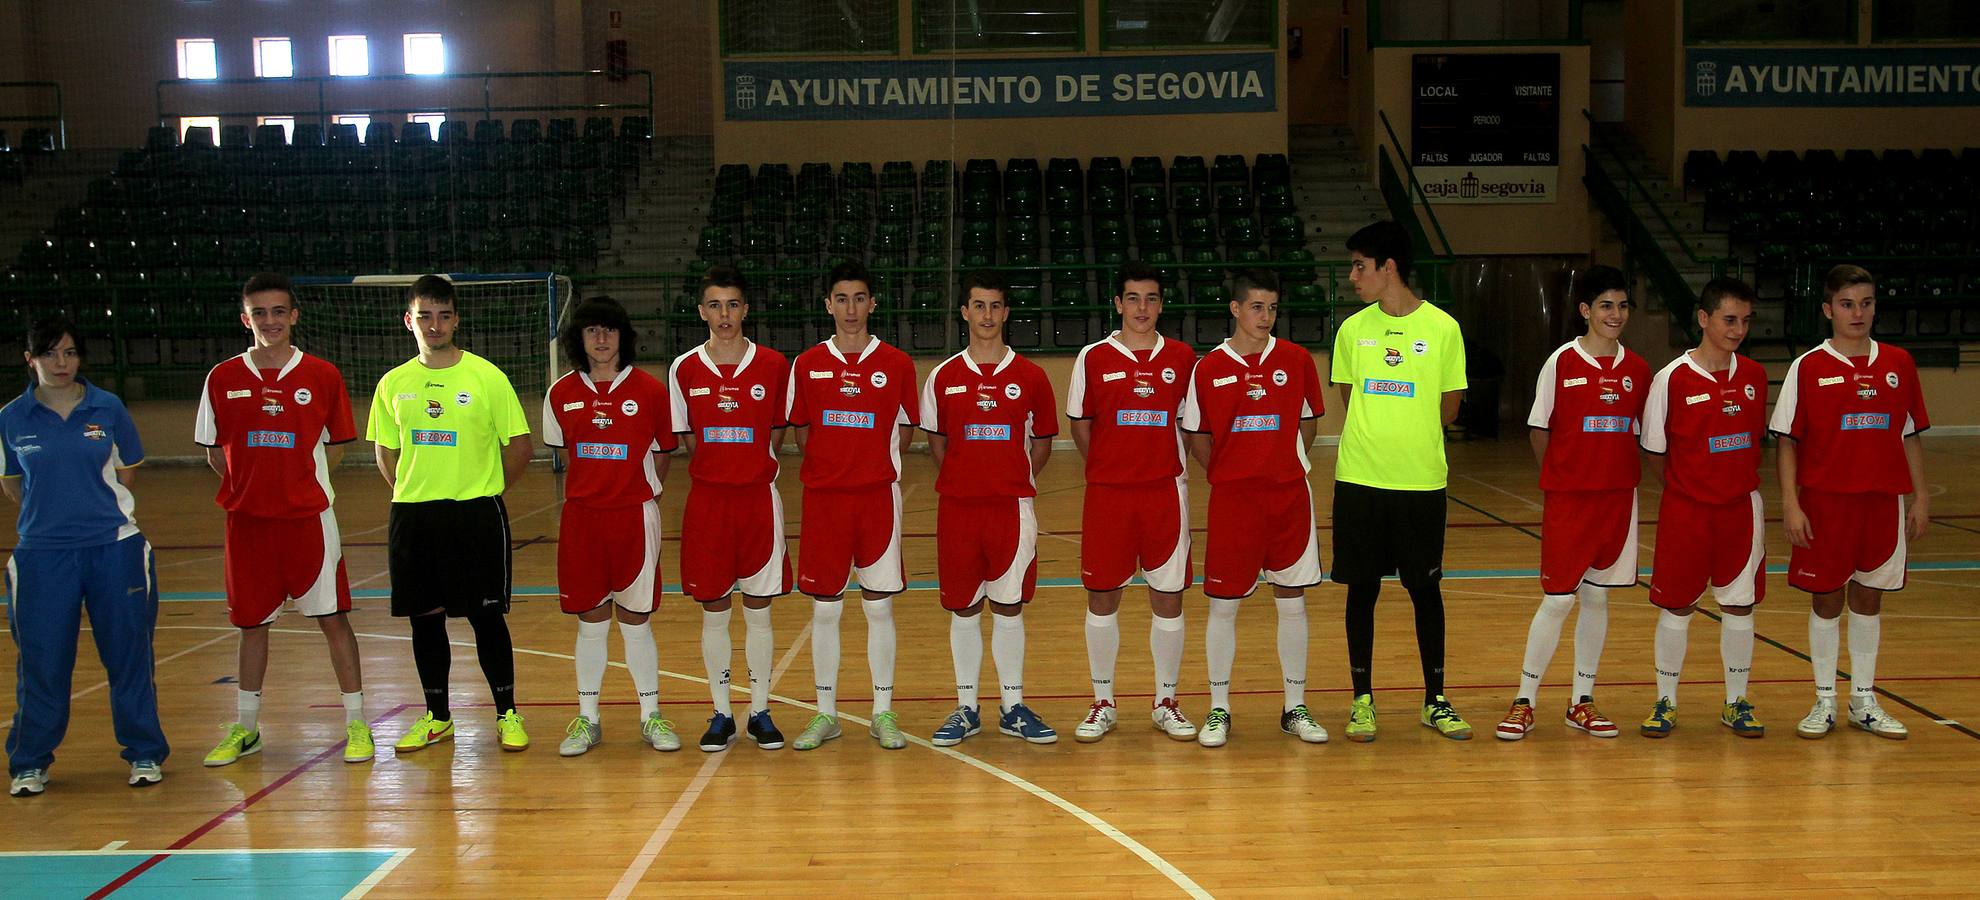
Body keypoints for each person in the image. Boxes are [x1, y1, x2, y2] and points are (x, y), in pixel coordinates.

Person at [194, 273, 371, 768]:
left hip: (308, 522)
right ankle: (246, 729)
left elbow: (337, 447)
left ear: (293, 316)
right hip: (247, 524)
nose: (269, 321)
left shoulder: (321, 375)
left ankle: (357, 723)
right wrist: (253, 487)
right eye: (259, 312)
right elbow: (214, 453)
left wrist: (299, 485)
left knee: (333, 620)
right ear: (245, 318)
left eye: (278, 311)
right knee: (252, 626)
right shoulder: (222, 378)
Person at [368, 275, 533, 753]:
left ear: (456, 319)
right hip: (414, 517)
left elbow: (519, 447)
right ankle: (437, 717)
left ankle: (508, 713)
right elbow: (386, 452)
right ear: (409, 320)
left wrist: (484, 489)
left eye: (443, 315)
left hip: (475, 515)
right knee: (425, 619)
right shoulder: (392, 383)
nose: (434, 325)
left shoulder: (486, 376)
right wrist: (415, 489)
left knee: (486, 619)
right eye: (424, 315)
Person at [3, 318, 166, 796]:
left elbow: (126, 473)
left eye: (70, 353)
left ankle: (143, 753)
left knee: (129, 657)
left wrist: (93, 514)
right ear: (29, 359)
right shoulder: (10, 418)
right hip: (41, 558)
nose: (61, 363)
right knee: (42, 663)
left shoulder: (107, 408)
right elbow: (14, 485)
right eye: (50, 354)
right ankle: (30, 762)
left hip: (114, 550)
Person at [1773, 265, 1930, 740]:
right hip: (1824, 504)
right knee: (1827, 599)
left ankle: (1863, 697)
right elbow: (1787, 441)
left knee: (1869, 598)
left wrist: (1919, 496)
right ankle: (1824, 699)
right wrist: (1791, 504)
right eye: (1846, 304)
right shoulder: (1808, 366)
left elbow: (1910, 435)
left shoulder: (1899, 363)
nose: (1857, 313)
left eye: (1865, 303)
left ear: (1875, 306)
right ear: (1827, 310)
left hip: (1882, 502)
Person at [1331, 220, 1471, 742]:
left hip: (1420, 485)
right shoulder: (1352, 330)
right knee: (1360, 592)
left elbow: (1449, 409)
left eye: (1359, 266)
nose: (1352, 277)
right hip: (1360, 482)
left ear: (1389, 267)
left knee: (1425, 590)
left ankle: (1435, 699)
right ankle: (1361, 699)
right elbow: (1349, 398)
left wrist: (1407, 443)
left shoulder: (1443, 329)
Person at [1496, 265, 1648, 741]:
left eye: (1623, 306)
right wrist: (1564, 477)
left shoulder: (1639, 370)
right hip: (1570, 501)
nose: (1615, 314)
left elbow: (1640, 435)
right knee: (1559, 599)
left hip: (1618, 500)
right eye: (1606, 305)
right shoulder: (1561, 362)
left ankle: (1581, 700)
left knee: (1597, 596)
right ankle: (1525, 699)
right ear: (1585, 311)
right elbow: (1540, 428)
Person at [1178, 268, 1326, 748]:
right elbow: (1196, 434)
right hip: (1233, 502)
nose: (1266, 316)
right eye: (1257, 307)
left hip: (1288, 498)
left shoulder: (1297, 360)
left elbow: (1307, 424)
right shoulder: (1209, 368)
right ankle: (1219, 708)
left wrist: (1281, 462)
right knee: (1223, 605)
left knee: (1292, 599)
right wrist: (1229, 469)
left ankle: (1294, 705)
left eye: (1273, 307)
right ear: (1236, 309)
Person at [920, 270, 1059, 746]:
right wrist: (967, 479)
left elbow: (1041, 442)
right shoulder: (943, 376)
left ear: (1006, 312)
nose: (987, 315)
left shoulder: (1031, 376)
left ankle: (1013, 706)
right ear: (965, 312)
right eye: (978, 306)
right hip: (958, 509)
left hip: (1011, 508)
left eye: (995, 306)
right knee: (963, 607)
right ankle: (966, 706)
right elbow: (938, 443)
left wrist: (1010, 479)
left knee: (1009, 605)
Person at [784, 261, 919, 751]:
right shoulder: (807, 363)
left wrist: (867, 464)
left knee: (879, 608)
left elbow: (904, 430)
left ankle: (882, 711)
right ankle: (826, 714)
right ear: (828, 305)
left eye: (859, 298)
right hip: (824, 501)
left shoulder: (898, 364)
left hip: (877, 500)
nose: (850, 308)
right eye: (841, 299)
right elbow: (801, 430)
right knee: (825, 611)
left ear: (872, 304)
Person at [542, 296, 682, 756]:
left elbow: (663, 454)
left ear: (624, 336)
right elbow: (565, 454)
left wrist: (637, 492)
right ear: (578, 339)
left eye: (609, 330)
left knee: (636, 620)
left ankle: (651, 715)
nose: (601, 339)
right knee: (591, 621)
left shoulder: (650, 391)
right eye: (591, 331)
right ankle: (588, 719)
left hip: (634, 517)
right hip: (582, 520)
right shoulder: (560, 393)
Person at [1069, 260, 1200, 743]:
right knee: (1103, 596)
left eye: (1151, 299)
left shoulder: (1183, 357)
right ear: (1118, 303)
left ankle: (1166, 700)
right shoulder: (1093, 357)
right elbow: (1080, 424)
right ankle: (1103, 700)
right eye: (1133, 298)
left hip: (1165, 493)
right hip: (1108, 497)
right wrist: (1109, 465)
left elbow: (1190, 424)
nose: (1142, 308)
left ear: (1161, 305)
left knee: (1167, 596)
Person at [667, 265, 792, 752]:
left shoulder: (774, 365)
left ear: (746, 309)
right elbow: (686, 438)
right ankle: (721, 712)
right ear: (702, 312)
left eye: (733, 304)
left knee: (759, 609)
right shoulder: (684, 368)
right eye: (715, 305)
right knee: (715, 609)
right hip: (708, 505)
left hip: (758, 501)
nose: (724, 314)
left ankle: (760, 711)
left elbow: (777, 432)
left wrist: (751, 461)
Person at [1638, 276, 1769, 739]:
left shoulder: (1754, 376)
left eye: (1746, 321)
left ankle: (1736, 702)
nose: (1738, 329)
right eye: (1729, 319)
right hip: (1686, 511)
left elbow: (1752, 442)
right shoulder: (1670, 379)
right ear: (1703, 318)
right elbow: (1654, 451)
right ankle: (1666, 702)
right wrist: (1688, 486)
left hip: (1741, 511)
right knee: (1677, 607)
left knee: (1740, 606)